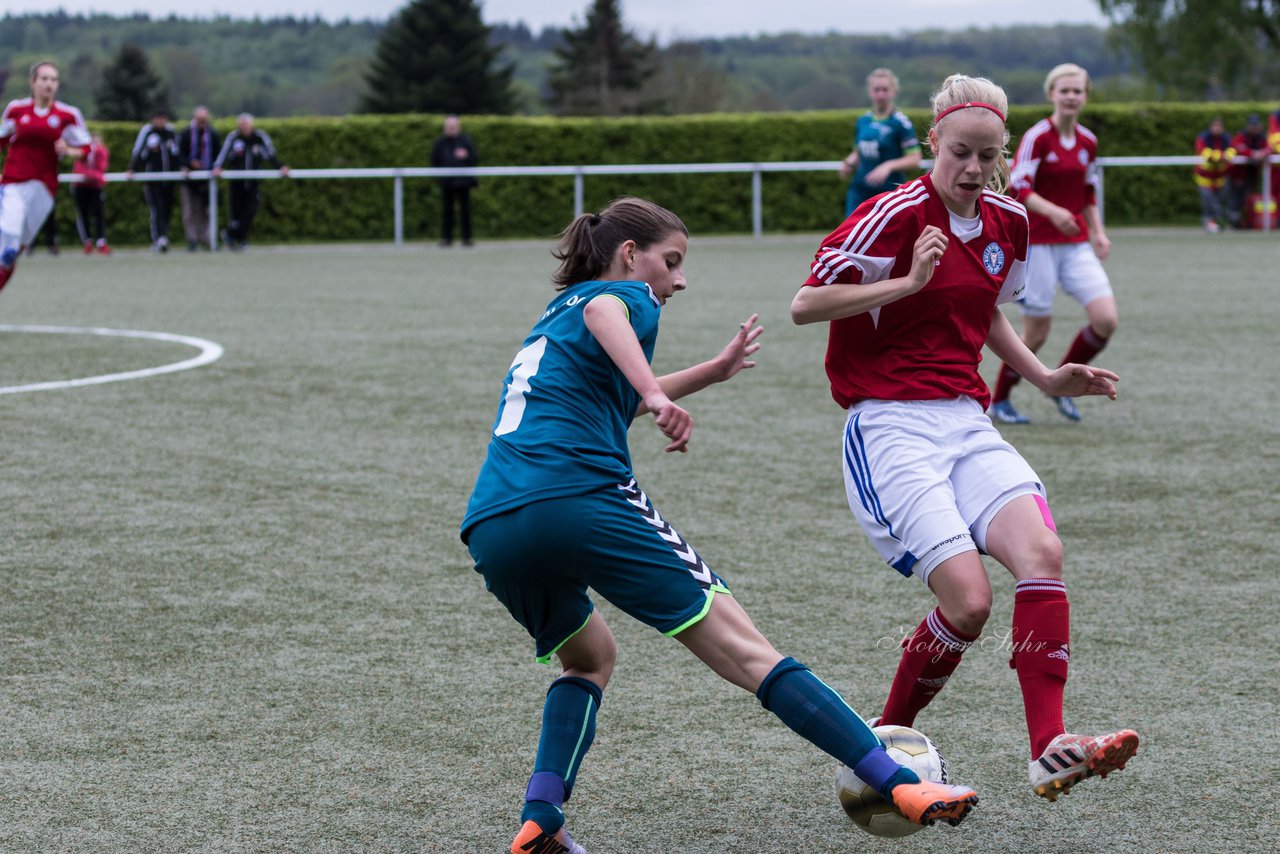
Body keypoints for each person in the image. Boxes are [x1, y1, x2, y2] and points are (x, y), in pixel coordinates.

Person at [462, 196, 979, 854]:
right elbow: (609, 313)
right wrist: (651, 393)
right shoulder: (620, 296)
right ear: (629, 255)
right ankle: (900, 783)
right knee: (747, 648)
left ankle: (543, 816)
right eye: (671, 262)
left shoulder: (550, 323)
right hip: (580, 498)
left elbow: (609, 385)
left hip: (494, 523)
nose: (678, 281)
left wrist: (711, 370)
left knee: (589, 658)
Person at [790, 73, 1139, 804]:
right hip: (887, 424)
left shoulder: (1008, 221)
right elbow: (806, 304)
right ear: (933, 144)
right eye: (959, 153)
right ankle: (880, 751)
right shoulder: (891, 214)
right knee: (970, 604)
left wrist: (1044, 377)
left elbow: (983, 312)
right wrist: (903, 284)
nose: (973, 170)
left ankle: (1049, 747)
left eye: (987, 155)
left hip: (965, 419)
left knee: (1042, 552)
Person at [988, 63, 1118, 425]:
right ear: (1052, 95)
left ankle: (1059, 380)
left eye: (1078, 90)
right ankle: (999, 400)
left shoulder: (1088, 141)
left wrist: (1099, 231)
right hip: (1039, 244)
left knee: (1106, 319)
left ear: (1085, 95)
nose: (1072, 96)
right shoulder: (1037, 137)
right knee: (1037, 332)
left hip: (1075, 243)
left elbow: (1089, 191)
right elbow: (1020, 187)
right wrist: (1055, 211)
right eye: (1065, 90)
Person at [0, 60, 88, 291]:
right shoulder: (16, 110)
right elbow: (1, 139)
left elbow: (87, 150)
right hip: (13, 183)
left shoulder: (68, 115)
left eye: (53, 79)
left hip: (45, 189)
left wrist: (69, 150)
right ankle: (7, 246)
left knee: (14, 251)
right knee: (9, 231)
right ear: (33, 82)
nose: (49, 84)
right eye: (44, 79)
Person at [838, 68, 922, 218]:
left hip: (888, 194)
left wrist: (887, 166)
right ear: (870, 92)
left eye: (885, 89)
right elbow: (860, 150)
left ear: (893, 91)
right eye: (877, 90)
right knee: (851, 236)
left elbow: (915, 159)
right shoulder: (863, 121)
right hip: (860, 191)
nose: (881, 94)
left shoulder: (901, 123)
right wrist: (849, 163)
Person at [212, 113, 289, 251]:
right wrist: (218, 167)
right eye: (242, 125)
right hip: (236, 182)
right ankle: (240, 240)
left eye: (247, 125)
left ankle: (230, 235)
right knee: (236, 213)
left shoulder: (259, 137)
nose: (244, 128)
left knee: (250, 210)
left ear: (252, 125)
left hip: (253, 182)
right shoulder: (233, 137)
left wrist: (281, 166)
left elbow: (270, 155)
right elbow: (223, 154)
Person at [127, 109, 181, 253]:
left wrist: (182, 167)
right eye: (158, 118)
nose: (160, 122)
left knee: (167, 209)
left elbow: (177, 153)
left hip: (169, 179)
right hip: (153, 179)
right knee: (156, 208)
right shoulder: (148, 132)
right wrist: (133, 168)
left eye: (163, 119)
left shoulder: (171, 133)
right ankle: (158, 238)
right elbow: (139, 152)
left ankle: (164, 236)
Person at [429, 114, 478, 246]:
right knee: (447, 211)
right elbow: (433, 161)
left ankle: (467, 238)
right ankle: (446, 238)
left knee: (465, 211)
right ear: (445, 127)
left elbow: (475, 160)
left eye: (453, 126)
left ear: (458, 127)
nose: (451, 129)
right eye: (448, 126)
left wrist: (466, 156)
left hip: (464, 182)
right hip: (447, 182)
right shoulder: (440, 142)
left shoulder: (465, 141)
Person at [177, 105, 221, 251]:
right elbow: (178, 154)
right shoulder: (185, 134)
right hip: (188, 178)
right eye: (199, 119)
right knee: (189, 210)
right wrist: (189, 164)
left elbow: (219, 155)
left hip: (206, 179)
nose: (202, 122)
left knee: (205, 210)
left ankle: (206, 239)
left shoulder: (213, 134)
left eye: (204, 119)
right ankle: (192, 239)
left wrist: (216, 167)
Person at [1227, 114, 1269, 229]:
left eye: (1256, 125)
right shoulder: (1241, 136)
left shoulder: (1262, 136)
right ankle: (1234, 223)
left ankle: (1249, 222)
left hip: (1252, 174)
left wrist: (1262, 153)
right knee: (1236, 199)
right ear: (1248, 126)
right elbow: (1237, 148)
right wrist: (1253, 154)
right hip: (1238, 174)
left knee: (1250, 198)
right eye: (1252, 125)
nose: (1255, 128)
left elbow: (1268, 148)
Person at [1193, 118, 1234, 233]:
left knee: (1220, 201)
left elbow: (1232, 151)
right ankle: (1209, 223)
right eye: (1215, 126)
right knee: (1208, 202)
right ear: (1210, 127)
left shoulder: (1226, 138)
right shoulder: (1203, 137)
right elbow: (1204, 152)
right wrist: (1220, 155)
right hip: (1204, 178)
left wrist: (1224, 156)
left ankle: (1217, 223)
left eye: (1219, 126)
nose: (1217, 129)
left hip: (1220, 178)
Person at [72, 131, 110, 254]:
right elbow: (79, 169)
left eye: (96, 141)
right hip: (80, 187)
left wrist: (95, 177)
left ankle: (101, 242)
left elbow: (102, 168)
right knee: (83, 214)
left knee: (98, 213)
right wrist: (97, 176)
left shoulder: (102, 152)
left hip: (95, 187)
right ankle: (87, 242)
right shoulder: (81, 152)